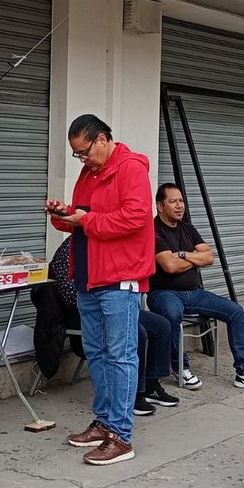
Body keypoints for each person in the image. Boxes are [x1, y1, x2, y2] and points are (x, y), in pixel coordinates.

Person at [48, 114, 154, 466]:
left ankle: (121, 436)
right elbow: (83, 220)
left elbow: (135, 217)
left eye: (84, 152)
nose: (82, 159)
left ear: (103, 140)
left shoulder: (131, 168)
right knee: (96, 353)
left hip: (119, 279)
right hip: (88, 277)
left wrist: (85, 219)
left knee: (120, 356)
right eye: (77, 154)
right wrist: (63, 215)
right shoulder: (89, 173)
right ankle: (105, 421)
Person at [42, 237, 179, 417]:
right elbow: (69, 294)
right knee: (137, 332)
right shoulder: (74, 247)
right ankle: (135, 395)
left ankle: (151, 385)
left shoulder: (109, 243)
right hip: (81, 311)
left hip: (117, 302)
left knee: (161, 325)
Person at [147, 183, 244, 391]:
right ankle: (181, 368)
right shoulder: (153, 231)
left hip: (195, 294)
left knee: (235, 311)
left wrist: (182, 255)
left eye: (181, 201)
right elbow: (169, 266)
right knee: (172, 314)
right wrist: (194, 258)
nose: (179, 206)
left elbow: (209, 257)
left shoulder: (188, 228)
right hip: (164, 293)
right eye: (173, 201)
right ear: (160, 206)